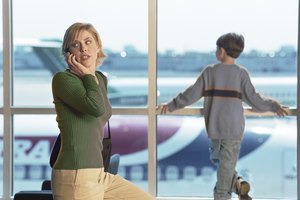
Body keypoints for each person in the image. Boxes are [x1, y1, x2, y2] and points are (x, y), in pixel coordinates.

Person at [157, 32, 288, 200]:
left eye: (216, 48)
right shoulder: (241, 74)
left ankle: (233, 189)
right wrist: (273, 105)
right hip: (233, 131)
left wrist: (171, 105)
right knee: (222, 166)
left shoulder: (210, 72)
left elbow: (190, 94)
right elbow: (255, 99)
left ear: (221, 51)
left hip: (215, 129)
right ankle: (239, 185)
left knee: (222, 184)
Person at [51, 22, 154, 200]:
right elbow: (96, 108)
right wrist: (88, 75)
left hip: (99, 174)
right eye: (76, 45)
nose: (83, 48)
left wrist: (91, 76)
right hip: (76, 175)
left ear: (98, 45)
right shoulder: (63, 79)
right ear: (69, 53)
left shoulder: (100, 79)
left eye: (88, 42)